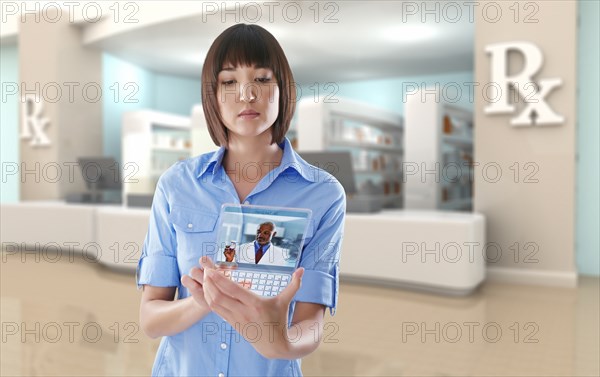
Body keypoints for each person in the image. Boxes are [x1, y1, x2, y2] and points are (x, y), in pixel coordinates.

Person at [137, 23, 346, 377]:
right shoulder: (177, 185)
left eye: (262, 79)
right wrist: (203, 302)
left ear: (284, 90)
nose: (247, 94)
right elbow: (150, 319)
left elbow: (312, 323)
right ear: (212, 95)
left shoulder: (323, 195)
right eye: (229, 81)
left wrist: (279, 342)